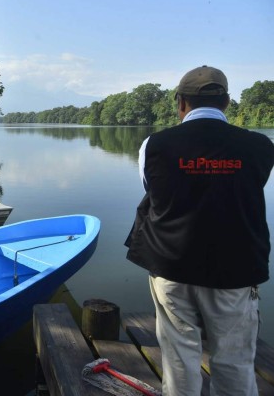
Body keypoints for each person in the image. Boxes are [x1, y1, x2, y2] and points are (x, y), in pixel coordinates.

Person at [125, 65, 274, 395]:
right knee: (234, 363)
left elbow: (154, 190)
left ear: (181, 103)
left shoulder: (154, 145)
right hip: (235, 269)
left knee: (179, 362)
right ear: (228, 102)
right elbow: (249, 186)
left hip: (172, 265)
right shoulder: (260, 146)